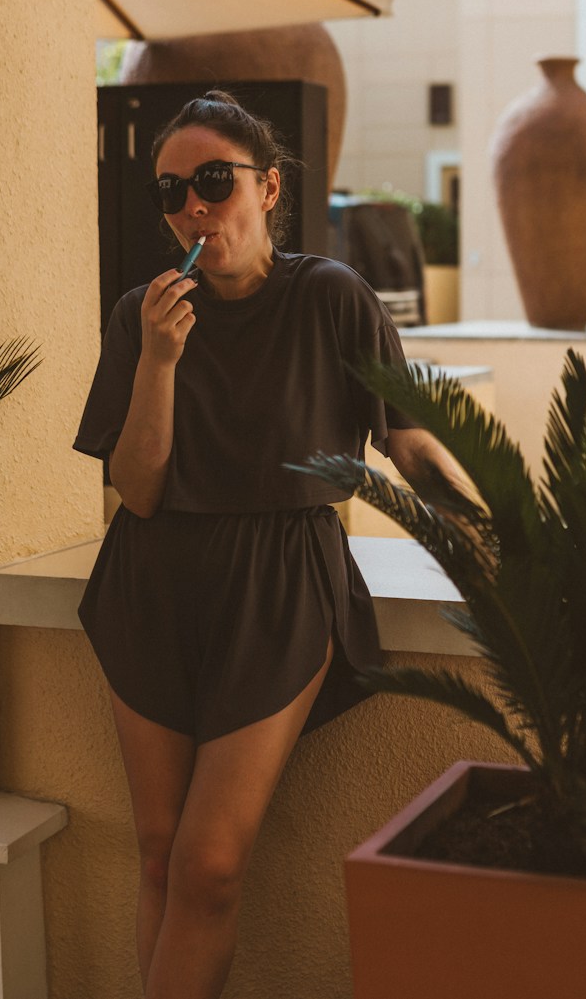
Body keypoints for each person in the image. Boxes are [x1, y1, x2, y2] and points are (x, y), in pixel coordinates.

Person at [73, 92, 459, 999]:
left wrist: (495, 537)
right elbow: (137, 488)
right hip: (153, 583)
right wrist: (160, 361)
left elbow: (409, 441)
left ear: (269, 187)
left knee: (210, 862)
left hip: (280, 588)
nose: (194, 209)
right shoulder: (144, 313)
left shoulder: (330, 295)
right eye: (173, 192)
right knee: (161, 851)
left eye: (215, 181)